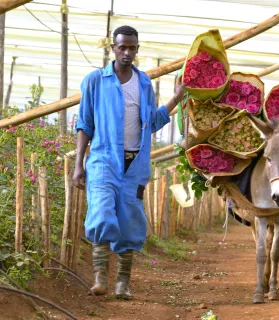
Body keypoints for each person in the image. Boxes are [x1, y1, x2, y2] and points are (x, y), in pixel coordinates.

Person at [73, 25, 185, 299]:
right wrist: (79, 164)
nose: (127, 52)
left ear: (137, 49)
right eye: (122, 47)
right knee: (100, 213)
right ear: (112, 48)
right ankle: (100, 279)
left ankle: (123, 282)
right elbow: (85, 124)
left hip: (135, 164)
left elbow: (152, 122)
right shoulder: (95, 81)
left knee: (129, 221)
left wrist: (176, 98)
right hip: (102, 160)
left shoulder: (144, 82)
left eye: (132, 48)